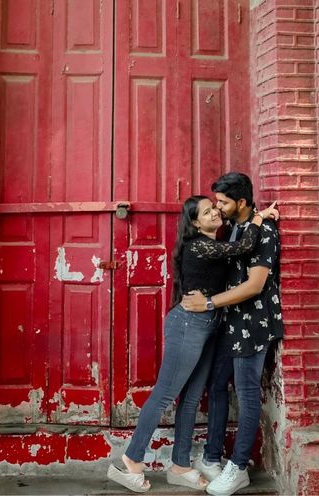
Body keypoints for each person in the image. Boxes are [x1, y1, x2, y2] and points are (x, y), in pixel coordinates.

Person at [107, 194, 278, 494]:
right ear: (196, 223)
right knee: (164, 394)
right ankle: (131, 461)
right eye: (208, 212)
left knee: (192, 395)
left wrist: (255, 214)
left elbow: (237, 244)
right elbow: (244, 246)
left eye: (215, 208)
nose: (215, 213)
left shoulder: (216, 240)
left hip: (210, 325)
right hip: (188, 324)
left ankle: (180, 465)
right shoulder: (198, 244)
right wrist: (258, 218)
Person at [182, 173, 283, 496]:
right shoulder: (239, 227)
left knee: (247, 391)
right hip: (232, 321)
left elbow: (254, 285)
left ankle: (238, 468)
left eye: (223, 203)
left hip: (254, 324)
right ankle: (212, 457)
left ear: (241, 202)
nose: (218, 208)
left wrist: (207, 303)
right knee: (217, 383)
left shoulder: (264, 231)